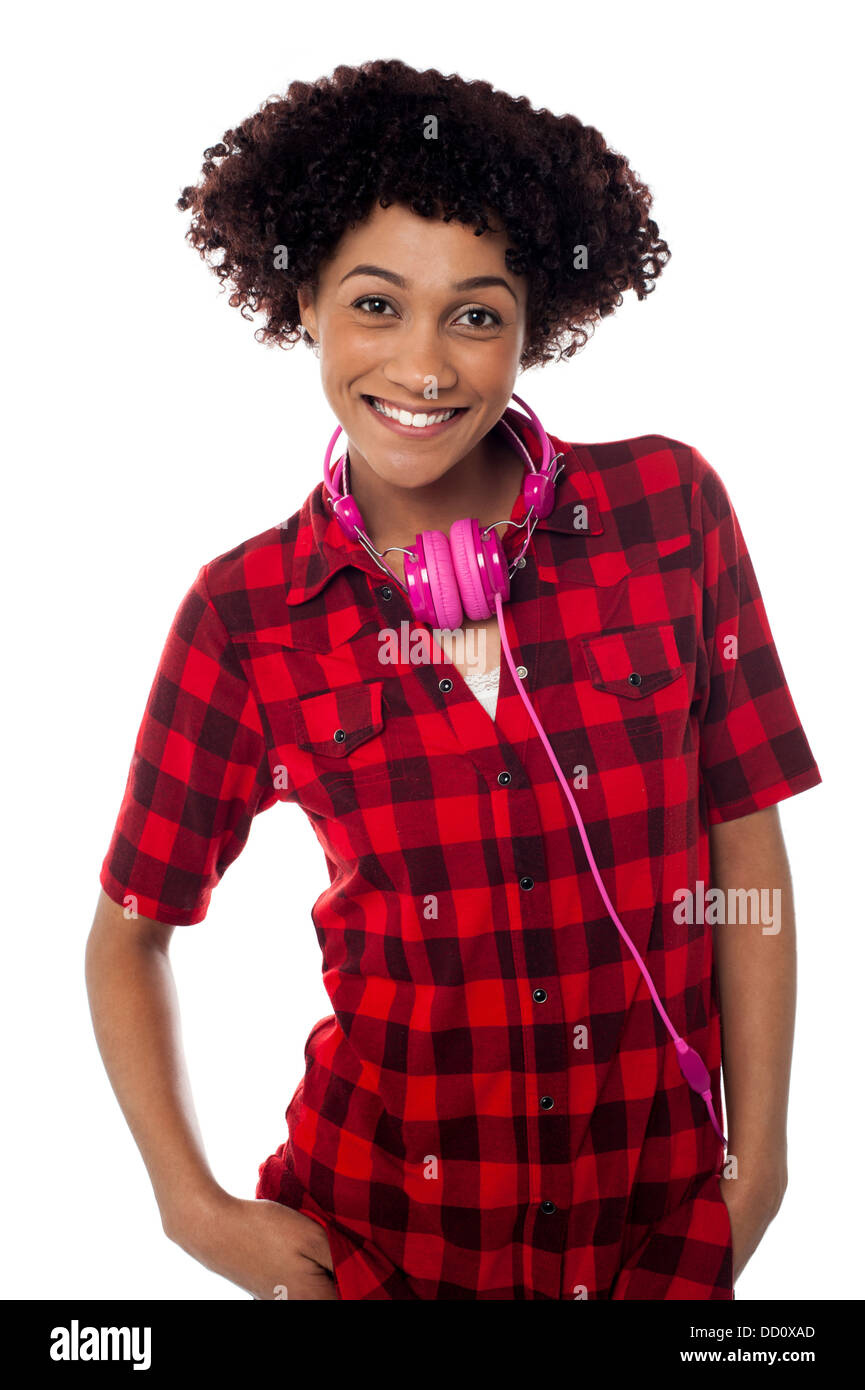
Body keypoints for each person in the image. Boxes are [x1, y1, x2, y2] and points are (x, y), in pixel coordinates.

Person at [86, 59, 821, 1301]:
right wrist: (192, 1210)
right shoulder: (245, 614)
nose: (423, 366)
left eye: (475, 315)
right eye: (376, 304)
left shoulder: (670, 510)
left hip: (659, 1249)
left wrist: (761, 1170)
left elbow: (743, 850)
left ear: (538, 323)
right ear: (305, 300)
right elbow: (129, 935)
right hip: (377, 1247)